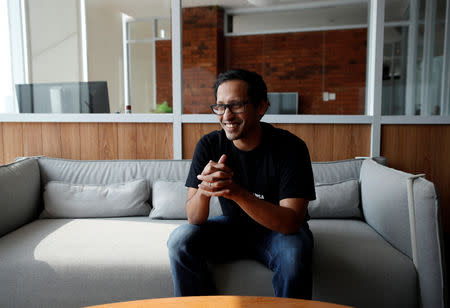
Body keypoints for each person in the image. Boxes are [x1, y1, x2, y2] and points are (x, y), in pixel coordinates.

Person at [167, 69, 316, 299]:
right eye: (220, 106)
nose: (226, 115)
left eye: (236, 105)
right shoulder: (209, 145)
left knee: (293, 254)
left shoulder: (290, 147)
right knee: (179, 240)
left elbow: (291, 222)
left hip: (278, 232)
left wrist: (236, 192)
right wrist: (205, 191)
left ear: (261, 107)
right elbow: (194, 218)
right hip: (232, 227)